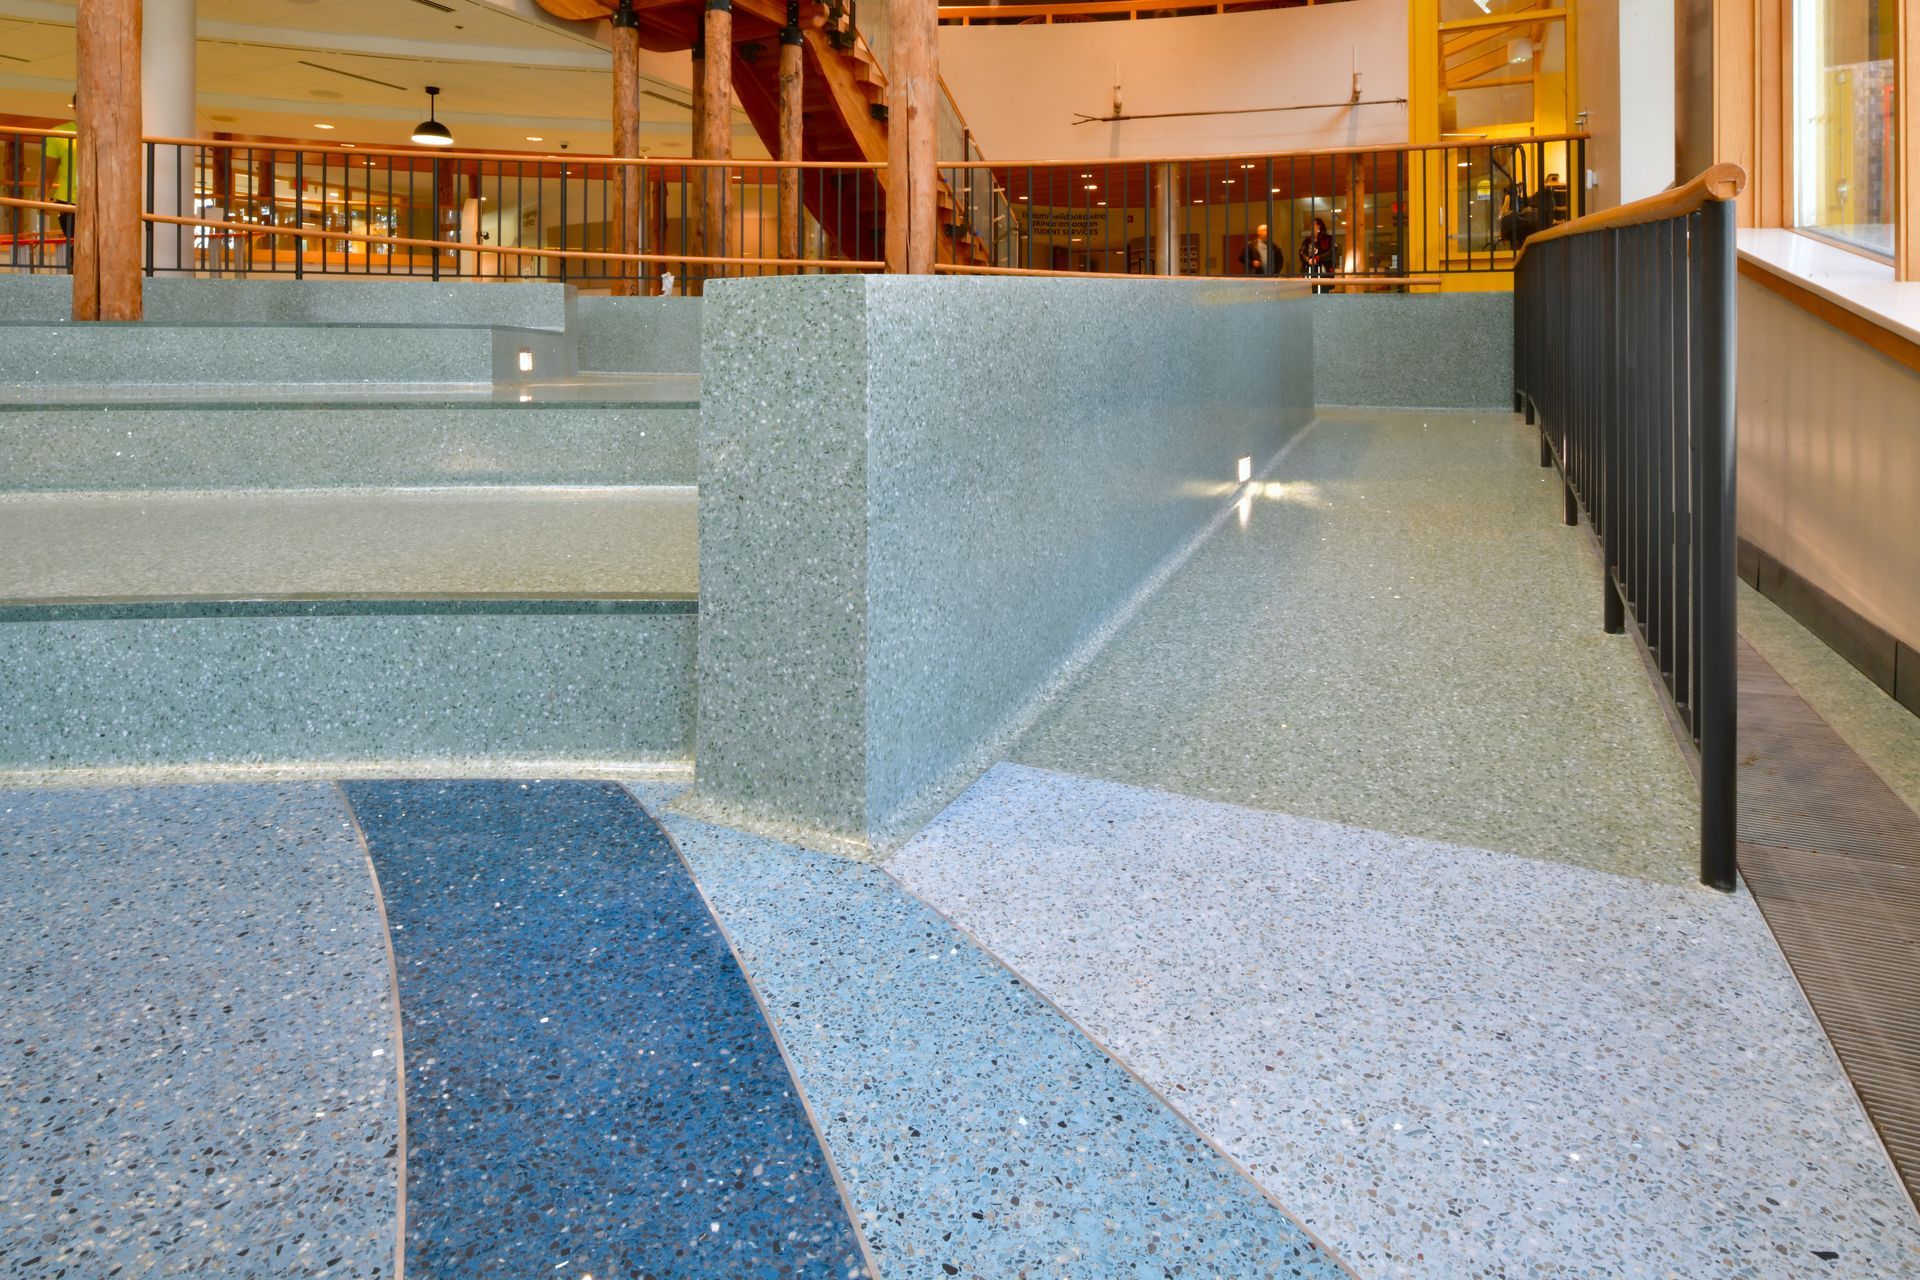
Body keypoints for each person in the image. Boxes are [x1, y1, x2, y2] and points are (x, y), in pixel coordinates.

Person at [40, 102, 77, 266]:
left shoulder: (109, 129)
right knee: (79, 249)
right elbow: (48, 169)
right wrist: (42, 198)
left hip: (105, 201)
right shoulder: (59, 133)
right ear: (75, 107)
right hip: (68, 201)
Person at [1299, 216, 1334, 292]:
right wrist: (1308, 260)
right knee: (1308, 294)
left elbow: (1331, 253)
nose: (1311, 226)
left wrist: (1317, 258)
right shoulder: (1306, 241)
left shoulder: (1328, 239)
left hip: (1324, 273)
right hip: (1308, 272)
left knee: (1322, 294)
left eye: (1313, 224)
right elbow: (1302, 253)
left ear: (1319, 225)